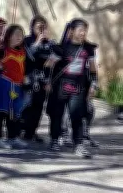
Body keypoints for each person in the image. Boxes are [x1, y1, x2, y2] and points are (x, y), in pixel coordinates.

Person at [47, 18, 98, 158]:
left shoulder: (88, 49)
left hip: (78, 87)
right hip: (60, 86)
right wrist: (47, 81)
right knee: (57, 114)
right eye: (80, 30)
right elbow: (48, 65)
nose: (83, 33)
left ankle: (78, 145)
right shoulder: (61, 48)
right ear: (72, 31)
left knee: (77, 116)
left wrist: (93, 84)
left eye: (85, 31)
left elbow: (93, 69)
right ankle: (54, 139)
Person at [0, 24, 27, 149]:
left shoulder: (23, 52)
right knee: (1, 112)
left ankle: (13, 137)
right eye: (16, 34)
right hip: (4, 85)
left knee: (14, 113)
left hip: (17, 87)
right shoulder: (2, 51)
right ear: (8, 36)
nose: (19, 37)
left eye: (21, 35)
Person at [21, 15, 54, 143]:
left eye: (43, 27)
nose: (41, 29)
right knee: (26, 106)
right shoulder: (27, 41)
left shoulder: (49, 43)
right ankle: (21, 130)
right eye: (38, 27)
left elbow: (51, 63)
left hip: (42, 80)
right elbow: (29, 57)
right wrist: (38, 42)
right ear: (32, 27)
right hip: (28, 79)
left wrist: (48, 80)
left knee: (38, 107)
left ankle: (31, 131)